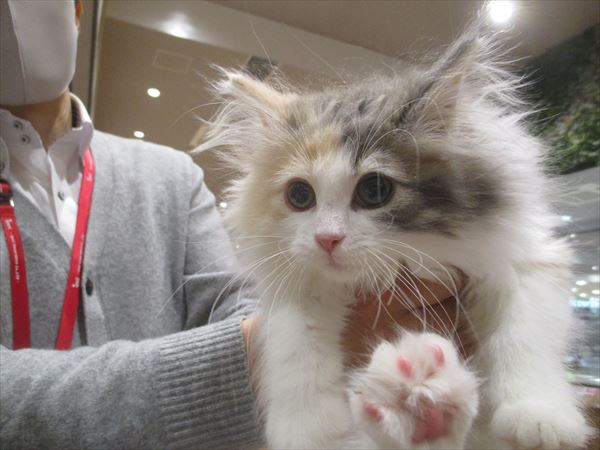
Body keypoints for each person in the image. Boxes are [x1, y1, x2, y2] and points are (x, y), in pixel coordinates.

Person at [0, 1, 467, 449]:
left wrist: (316, 325)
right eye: (300, 195)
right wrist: (257, 357)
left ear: (77, 9)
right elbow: (252, 330)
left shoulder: (171, 175)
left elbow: (237, 303)